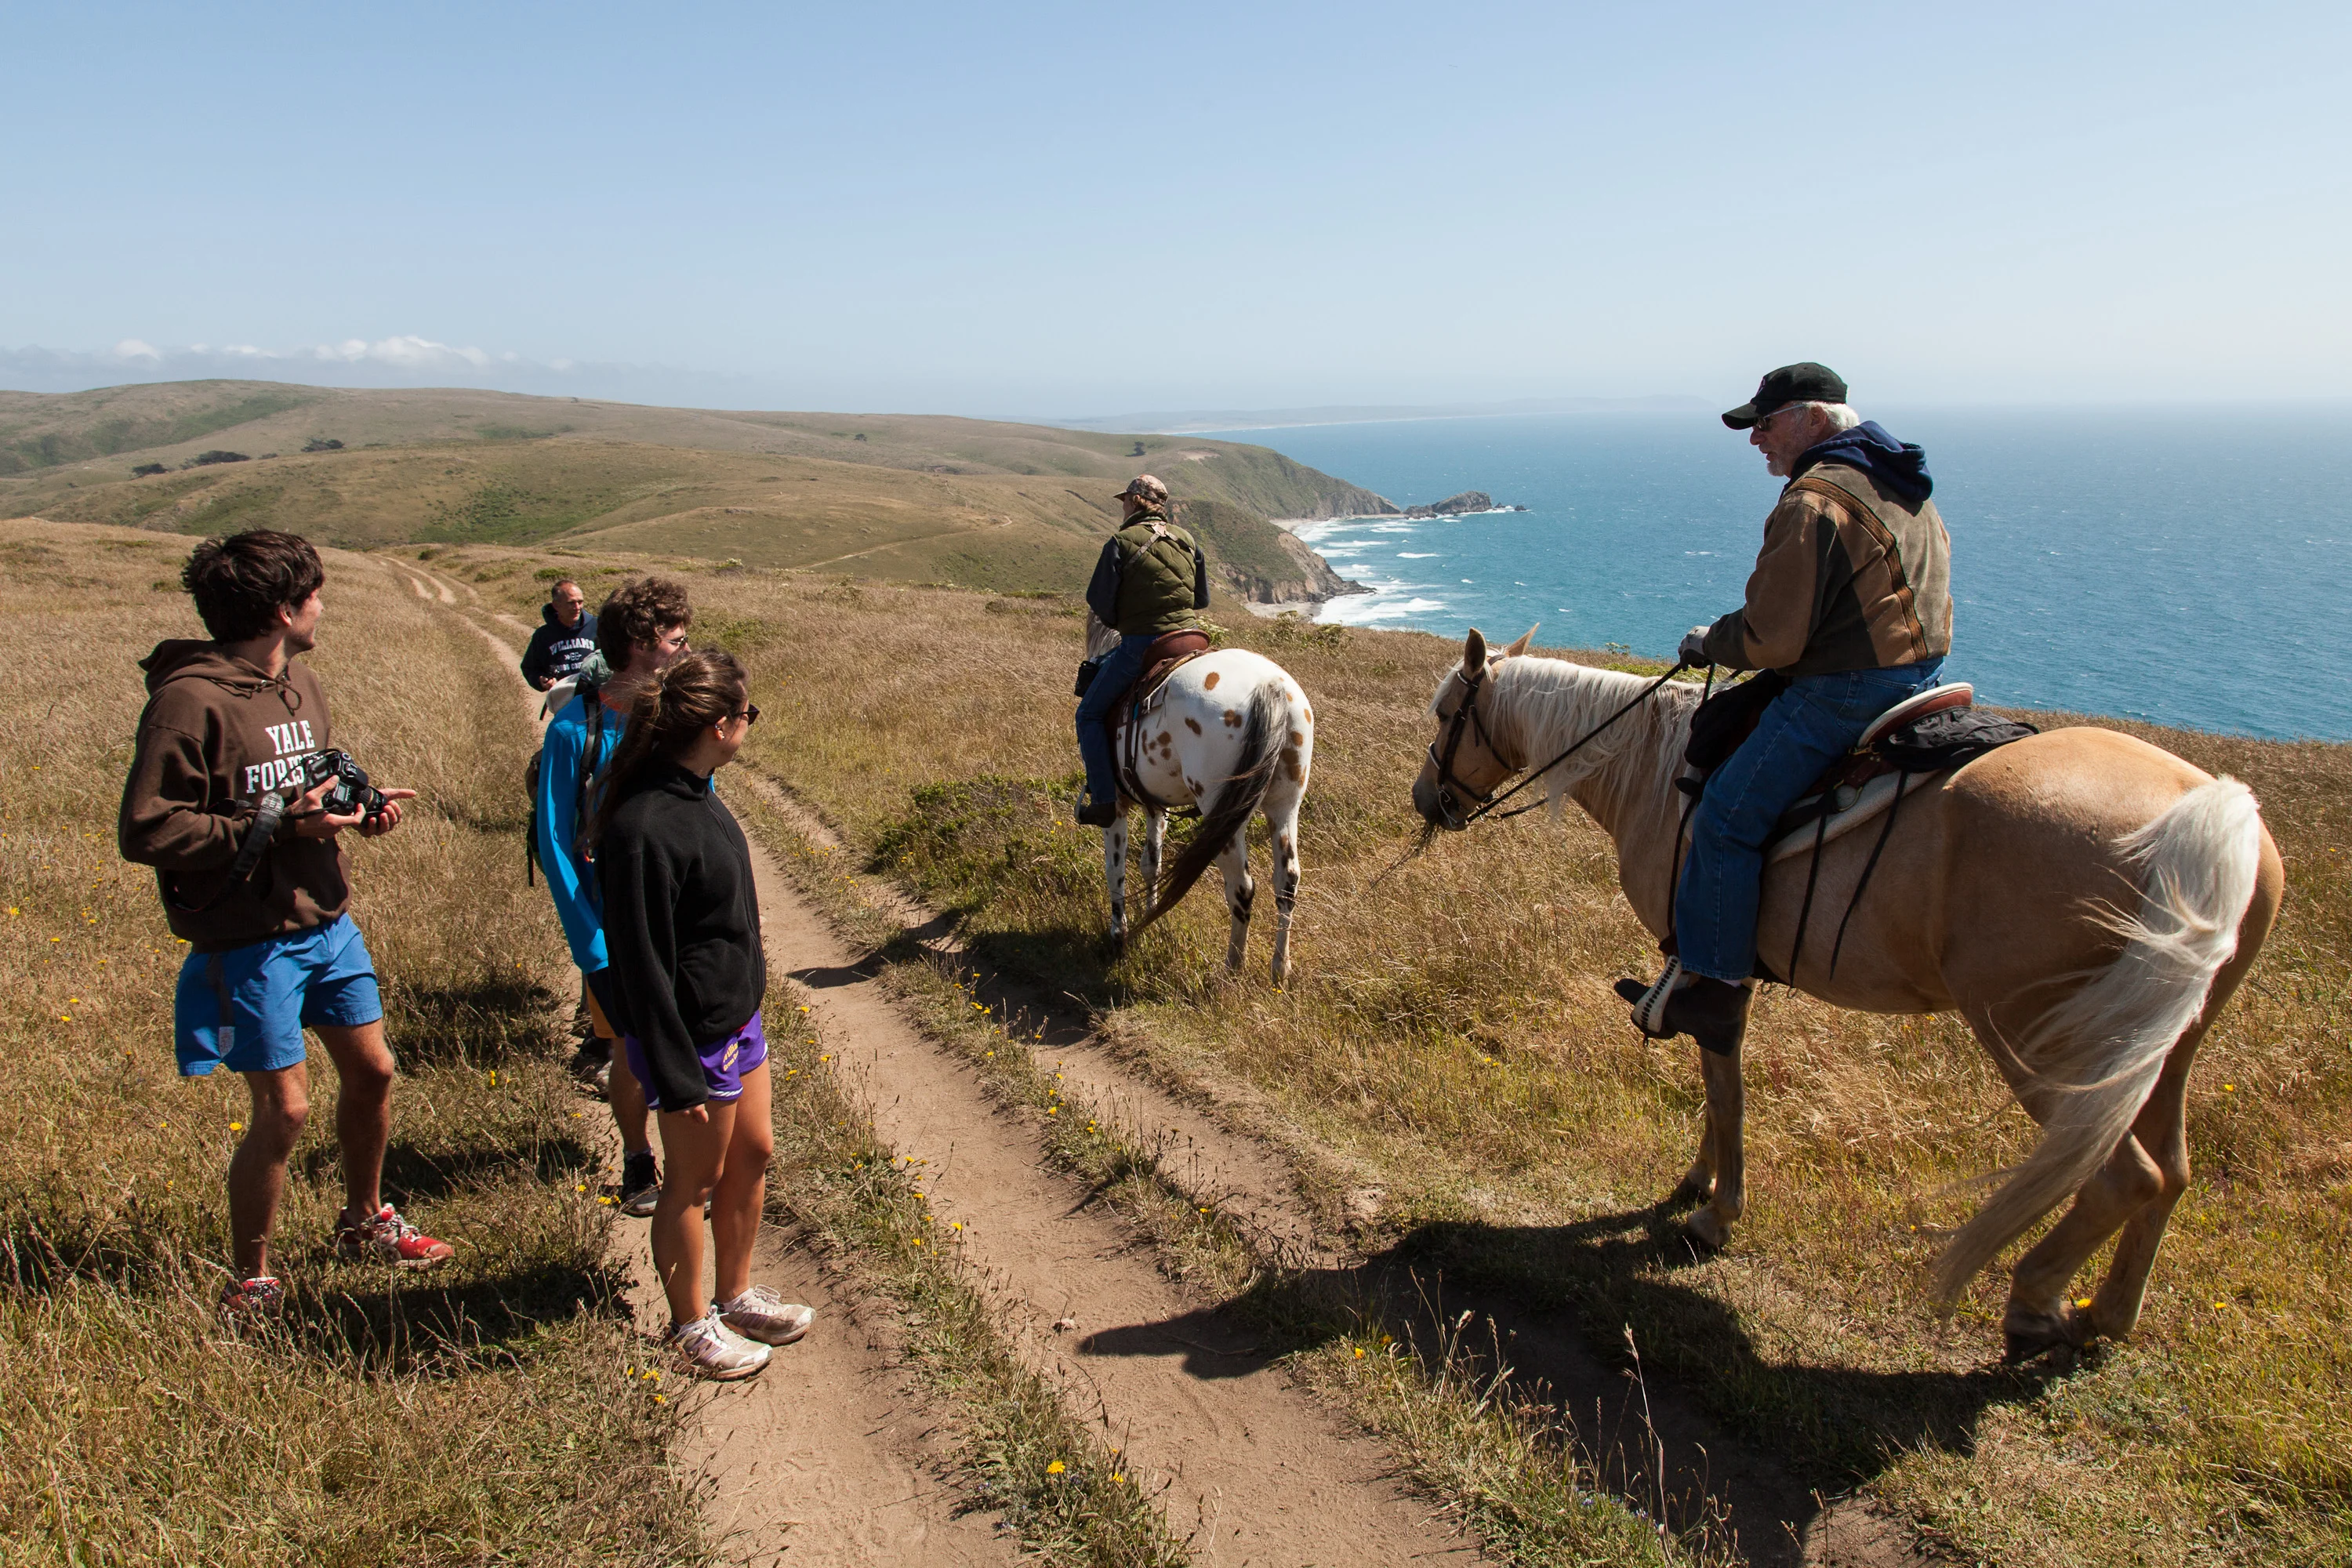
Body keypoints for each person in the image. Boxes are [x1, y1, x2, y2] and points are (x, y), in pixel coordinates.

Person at [118, 528, 450, 1320]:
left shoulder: (299, 683)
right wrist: (271, 828)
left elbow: (310, 784)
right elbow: (147, 829)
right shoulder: (186, 701)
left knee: (373, 1071)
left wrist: (355, 813)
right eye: (314, 595)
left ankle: (365, 1218)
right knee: (287, 1108)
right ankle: (252, 1275)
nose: (322, 607)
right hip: (250, 935)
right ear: (281, 608)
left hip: (326, 918)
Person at [1624, 363, 1953, 1047]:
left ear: (1812, 417)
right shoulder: (1899, 478)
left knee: (1724, 819)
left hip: (1847, 690)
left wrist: (1710, 641)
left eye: (1764, 424)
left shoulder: (1814, 499)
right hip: (1923, 677)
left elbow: (1774, 636)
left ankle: (1713, 987)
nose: (1756, 441)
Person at [590, 651, 813, 1378]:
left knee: (753, 1153)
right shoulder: (644, 824)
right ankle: (690, 1327)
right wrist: (677, 1076)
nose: (750, 725)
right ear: (720, 726)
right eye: (747, 715)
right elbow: (640, 965)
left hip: (734, 1023)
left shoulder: (698, 790)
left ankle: (736, 1293)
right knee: (693, 1180)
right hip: (690, 1037)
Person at [536, 576, 693, 1217]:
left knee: (681, 1039)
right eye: (676, 642)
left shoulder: (674, 721)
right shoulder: (574, 730)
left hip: (675, 916)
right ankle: (638, 1163)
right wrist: (590, 943)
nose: (686, 652)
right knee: (630, 1046)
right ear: (639, 645)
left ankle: (687, 1165)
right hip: (611, 923)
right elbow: (553, 841)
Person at [1074, 474, 1210, 826]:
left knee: (1087, 714)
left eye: (1124, 501)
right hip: (1193, 638)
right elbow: (1201, 599)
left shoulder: (1121, 541)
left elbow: (1099, 605)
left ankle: (1104, 800)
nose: (1122, 507)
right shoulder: (1188, 540)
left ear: (1135, 501)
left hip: (1143, 645)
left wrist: (1130, 617)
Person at [521, 579, 598, 691]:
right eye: (571, 603)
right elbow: (530, 668)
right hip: (563, 699)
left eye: (580, 602)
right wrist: (541, 680)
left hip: (597, 697)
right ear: (556, 605)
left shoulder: (598, 627)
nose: (577, 607)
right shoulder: (543, 635)